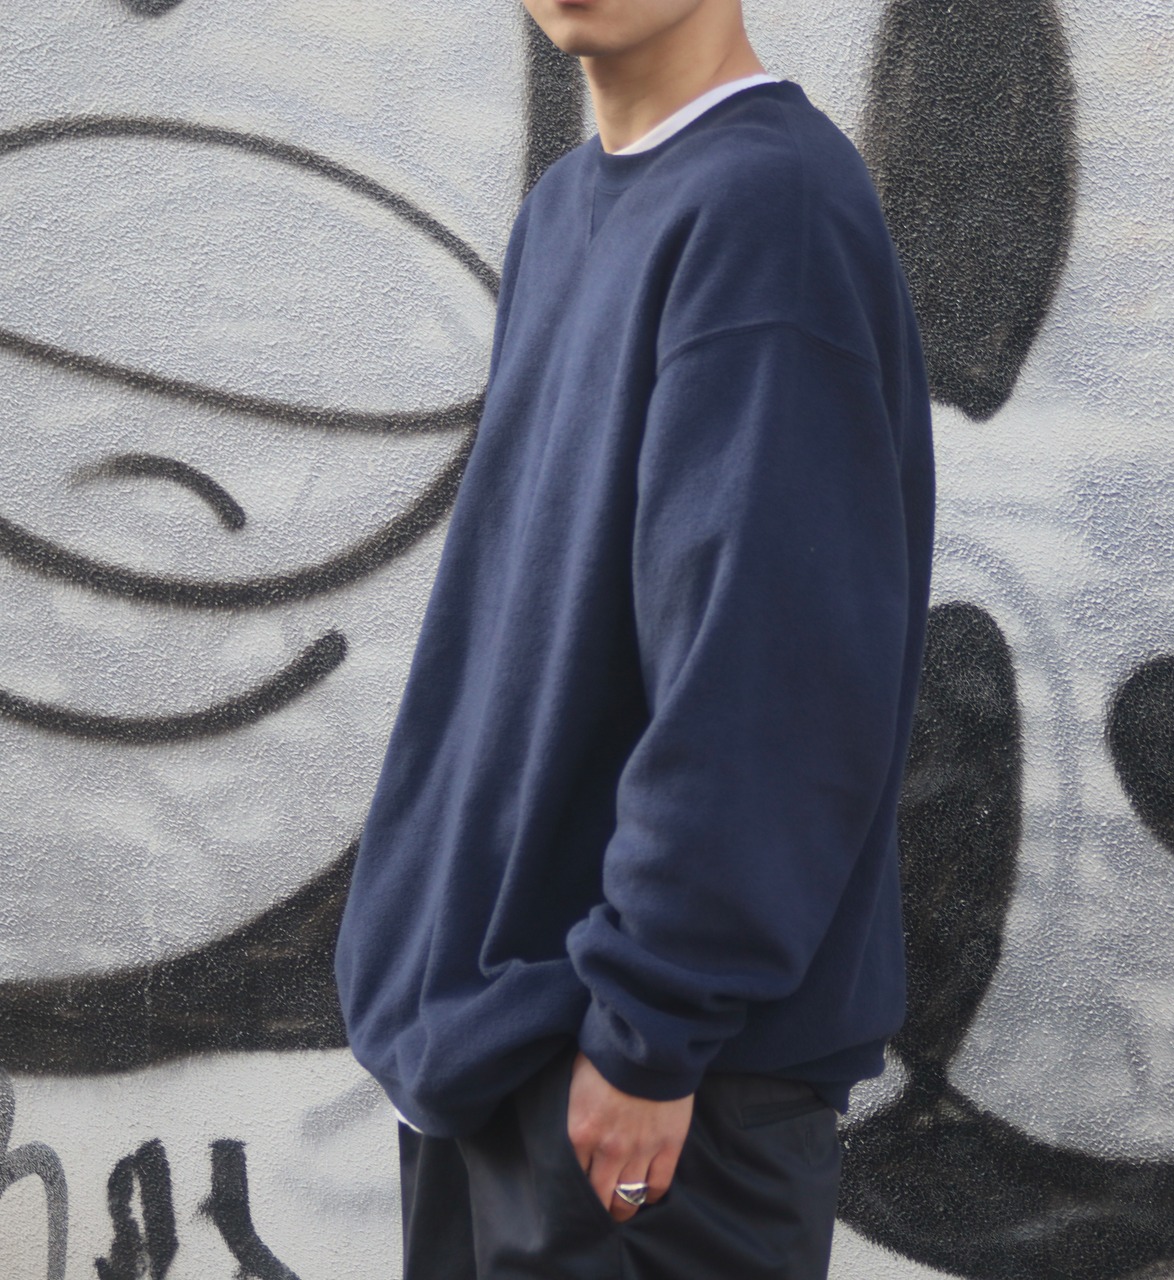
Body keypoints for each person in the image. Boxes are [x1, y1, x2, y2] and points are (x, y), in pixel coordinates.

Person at [334, 0, 934, 1275]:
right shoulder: (566, 208)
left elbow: (768, 673)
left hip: (651, 1102)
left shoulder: (768, 210)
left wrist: (649, 1026)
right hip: (501, 1050)